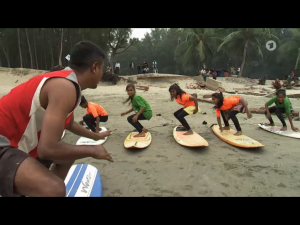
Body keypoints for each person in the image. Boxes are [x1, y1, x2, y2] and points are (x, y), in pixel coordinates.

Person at [0, 41, 114, 197]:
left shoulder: (67, 82)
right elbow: (47, 149)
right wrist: (92, 150)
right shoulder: (64, 88)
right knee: (54, 188)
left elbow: (70, 123)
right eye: (102, 68)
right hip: (4, 141)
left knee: (66, 158)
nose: (102, 74)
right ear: (94, 67)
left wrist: (95, 136)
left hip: (15, 141)